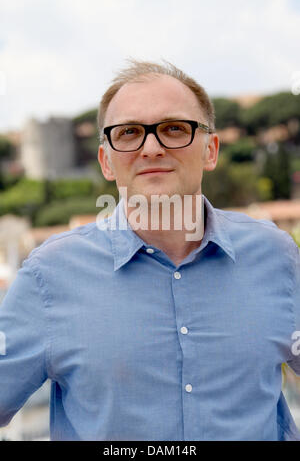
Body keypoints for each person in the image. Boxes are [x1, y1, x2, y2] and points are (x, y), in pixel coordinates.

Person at [0, 60, 300, 441]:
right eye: (129, 133)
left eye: (175, 129)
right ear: (106, 160)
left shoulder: (276, 256)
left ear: (211, 150)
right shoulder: (50, 276)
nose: (152, 148)